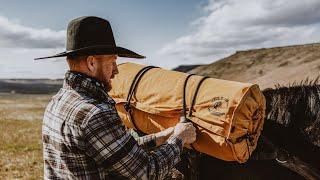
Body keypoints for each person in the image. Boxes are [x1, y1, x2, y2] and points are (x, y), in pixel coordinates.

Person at [35, 16, 196, 179]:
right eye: (112, 62)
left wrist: (163, 136)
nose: (116, 70)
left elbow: (116, 150)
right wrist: (179, 139)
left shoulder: (57, 101)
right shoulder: (95, 114)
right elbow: (146, 172)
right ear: (92, 63)